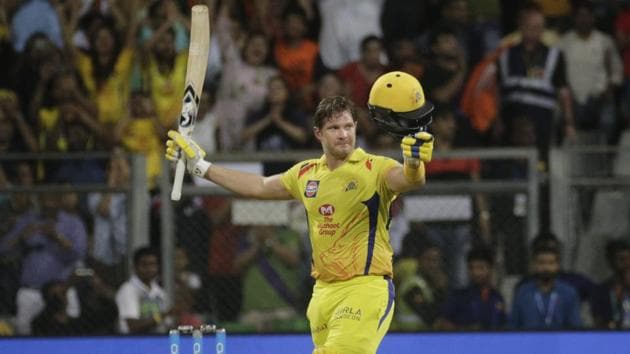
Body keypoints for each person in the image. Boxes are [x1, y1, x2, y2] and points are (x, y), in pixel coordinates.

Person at [166, 71, 435, 354]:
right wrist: (201, 167)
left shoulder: (376, 168)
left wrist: (414, 161)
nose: (344, 134)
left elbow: (410, 180)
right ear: (318, 133)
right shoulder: (306, 174)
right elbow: (258, 186)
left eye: (348, 126)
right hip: (322, 294)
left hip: (365, 288)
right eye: (334, 128)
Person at [510, 245, 582, 330]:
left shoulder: (569, 293)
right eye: (541, 263)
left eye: (551, 263)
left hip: (560, 342)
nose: (546, 268)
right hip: (530, 341)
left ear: (558, 266)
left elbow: (576, 329)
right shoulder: (522, 293)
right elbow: (512, 328)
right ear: (534, 265)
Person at [437, 247, 507, 330]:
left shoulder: (497, 297)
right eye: (471, 268)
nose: (475, 273)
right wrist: (467, 330)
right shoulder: (458, 296)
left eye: (480, 268)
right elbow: (442, 323)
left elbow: (503, 325)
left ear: (490, 269)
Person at [115, 247, 172, 334]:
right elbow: (133, 326)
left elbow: (167, 325)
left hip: (159, 341)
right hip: (133, 342)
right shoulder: (127, 290)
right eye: (144, 265)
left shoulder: (160, 292)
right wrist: (163, 315)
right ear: (134, 267)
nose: (149, 269)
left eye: (153, 264)